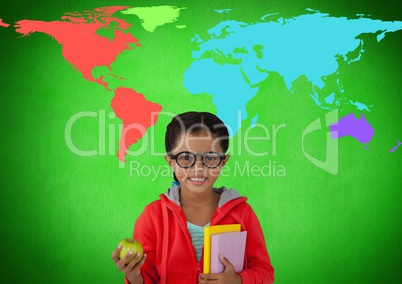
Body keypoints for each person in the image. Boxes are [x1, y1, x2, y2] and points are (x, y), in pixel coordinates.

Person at [111, 111, 275, 284]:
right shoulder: (153, 216)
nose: (198, 168)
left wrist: (239, 281)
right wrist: (134, 276)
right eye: (186, 157)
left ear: (223, 161)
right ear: (171, 162)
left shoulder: (242, 213)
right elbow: (147, 278)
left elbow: (265, 273)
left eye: (210, 158)